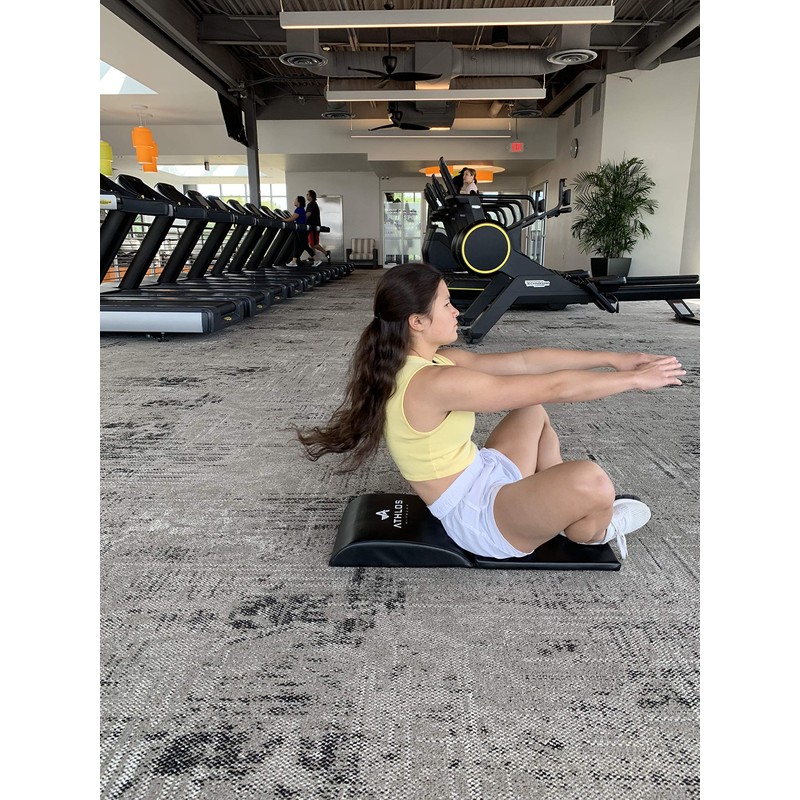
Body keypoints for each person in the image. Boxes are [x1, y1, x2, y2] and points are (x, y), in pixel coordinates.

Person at [297, 262, 685, 561]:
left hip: (481, 474)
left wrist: (616, 359)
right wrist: (635, 380)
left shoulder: (430, 361)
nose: (456, 311)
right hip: (479, 517)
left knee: (531, 409)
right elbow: (554, 387)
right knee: (594, 482)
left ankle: (558, 505)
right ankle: (590, 531)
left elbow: (527, 362)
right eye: (446, 304)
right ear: (417, 321)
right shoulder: (433, 382)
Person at [303, 190, 331, 263]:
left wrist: (302, 220)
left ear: (311, 196)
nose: (306, 196)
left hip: (314, 227)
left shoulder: (311, 204)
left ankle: (326, 253)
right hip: (312, 227)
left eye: (307, 194)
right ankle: (311, 257)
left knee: (314, 243)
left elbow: (308, 214)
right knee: (311, 243)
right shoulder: (313, 204)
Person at [285, 195, 309, 267]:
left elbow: (292, 219)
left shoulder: (299, 209)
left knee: (304, 245)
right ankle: (294, 262)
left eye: (295, 199)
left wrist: (282, 220)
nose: (294, 201)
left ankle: (316, 259)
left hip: (301, 230)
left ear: (299, 202)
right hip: (299, 229)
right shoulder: (301, 209)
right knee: (296, 245)